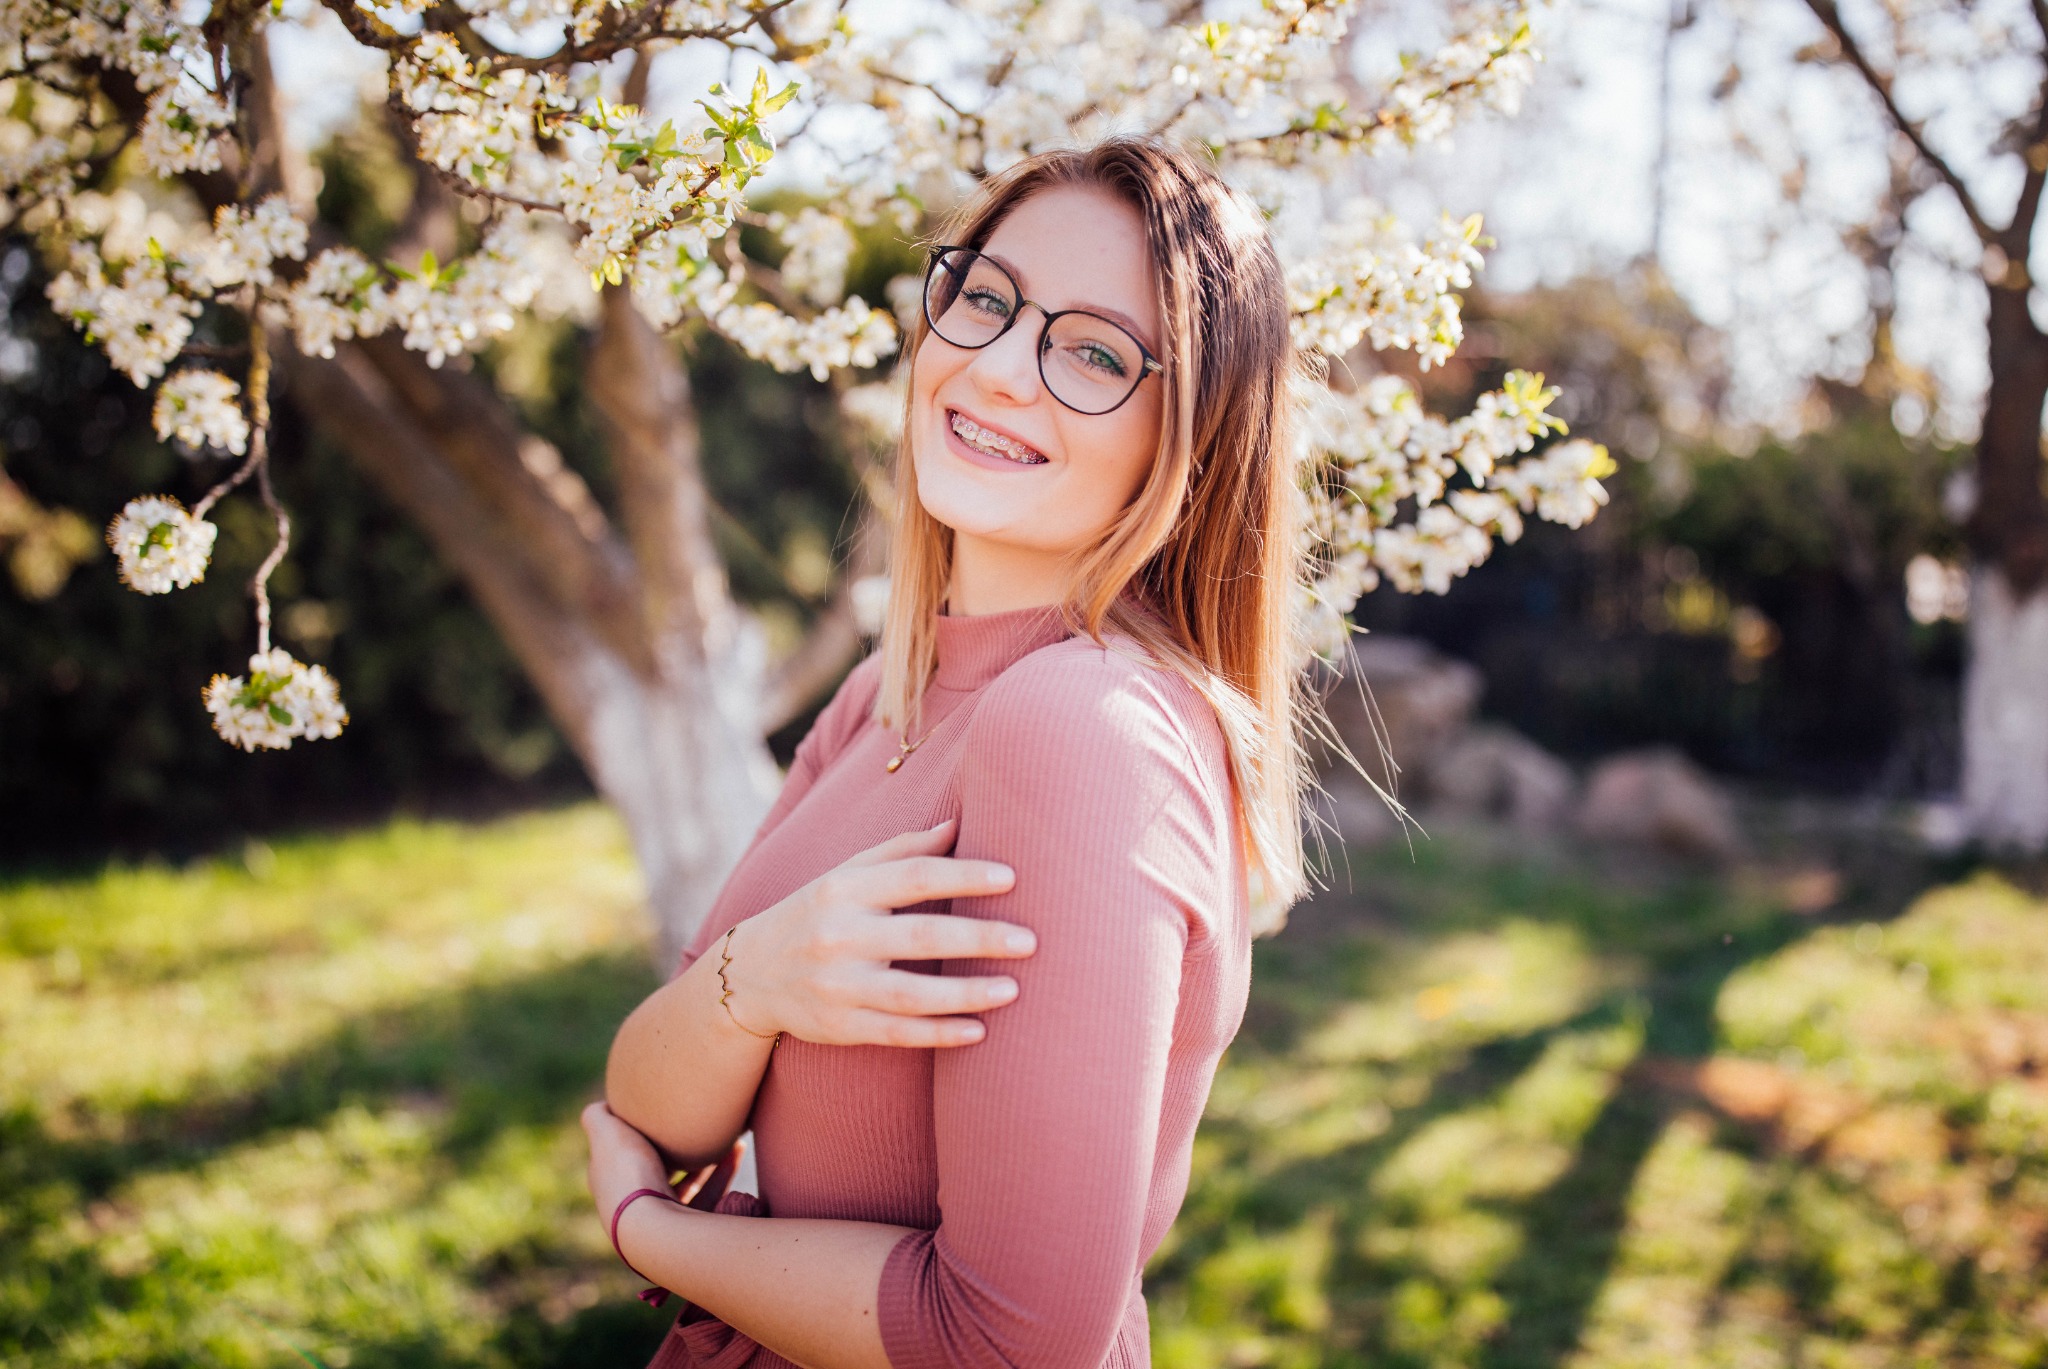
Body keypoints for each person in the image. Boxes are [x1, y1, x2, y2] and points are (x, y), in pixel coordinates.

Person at [582, 134, 1320, 1368]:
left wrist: (649, 1234)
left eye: (1091, 352)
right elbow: (649, 1099)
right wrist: (760, 976)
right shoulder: (892, 686)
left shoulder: (1076, 728)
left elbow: (1005, 1348)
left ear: (1187, 439)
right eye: (986, 298)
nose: (997, 368)